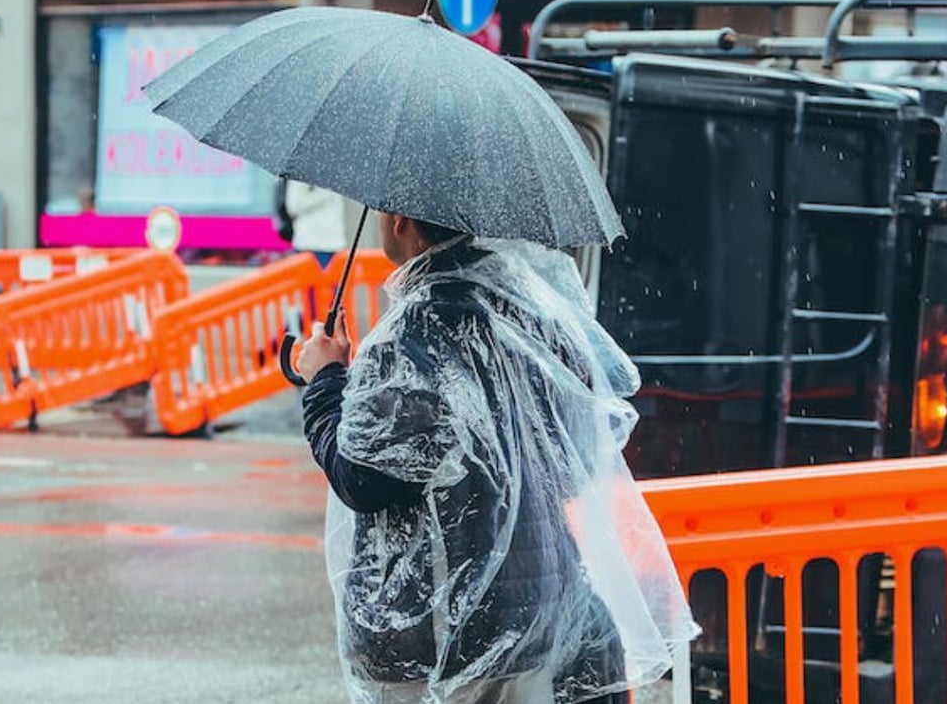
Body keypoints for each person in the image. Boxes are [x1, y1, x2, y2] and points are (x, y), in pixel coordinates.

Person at [297, 212, 696, 704]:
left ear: (400, 221)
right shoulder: (529, 314)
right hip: (529, 619)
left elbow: (361, 477)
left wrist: (324, 381)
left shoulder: (410, 339)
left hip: (432, 638)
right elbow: (568, 464)